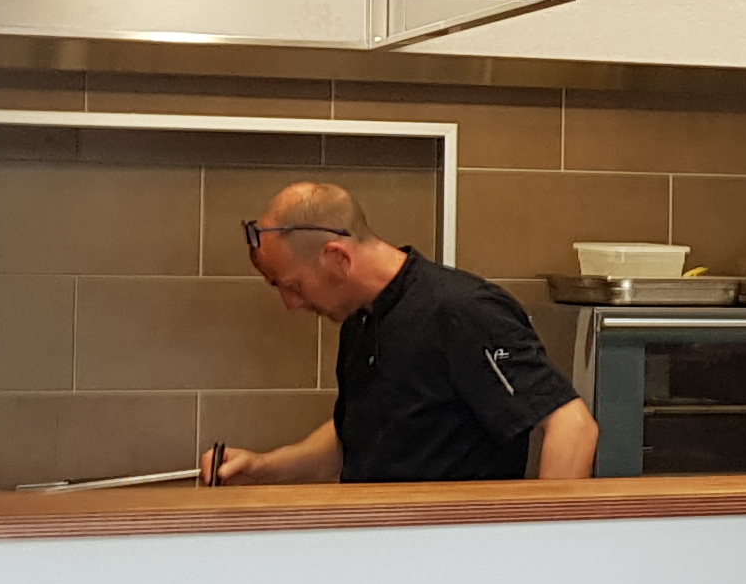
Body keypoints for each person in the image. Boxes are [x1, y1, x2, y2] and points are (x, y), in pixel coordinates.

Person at [205, 182, 598, 484]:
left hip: (456, 552)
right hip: (383, 546)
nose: (291, 304)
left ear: (337, 257)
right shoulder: (361, 320)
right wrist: (261, 466)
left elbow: (572, 426)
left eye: (294, 286)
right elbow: (355, 439)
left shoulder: (462, 311)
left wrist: (545, 545)